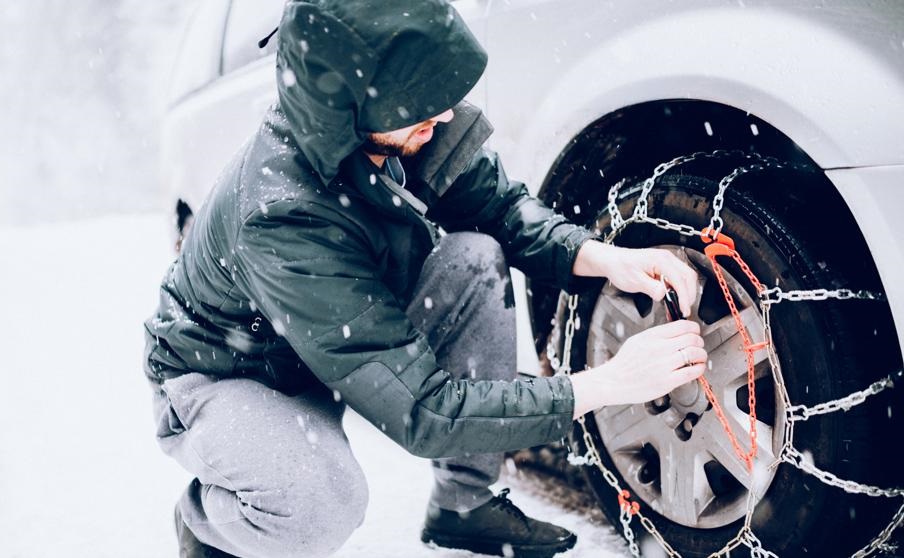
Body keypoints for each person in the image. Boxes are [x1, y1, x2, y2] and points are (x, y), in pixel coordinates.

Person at [142, 1, 706, 557]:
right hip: (224, 376)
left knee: (474, 257)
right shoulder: (283, 215)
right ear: (352, 104)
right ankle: (207, 527)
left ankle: (463, 504)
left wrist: (602, 256)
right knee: (321, 504)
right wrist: (608, 384)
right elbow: (426, 411)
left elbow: (500, 207)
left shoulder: (394, 123)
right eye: (422, 106)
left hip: (322, 343)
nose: (440, 117)